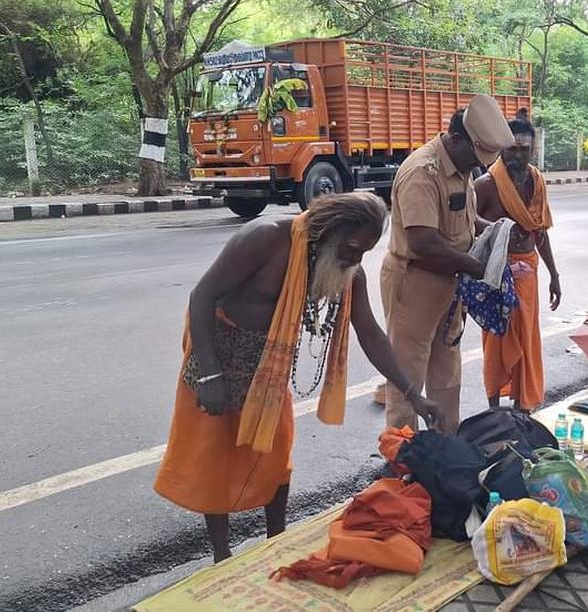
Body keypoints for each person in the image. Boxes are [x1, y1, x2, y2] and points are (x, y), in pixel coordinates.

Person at [153, 192, 442, 563]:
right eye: (351, 248)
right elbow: (202, 295)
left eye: (363, 253)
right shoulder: (266, 237)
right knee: (215, 455)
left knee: (276, 452)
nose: (354, 260)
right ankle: (221, 556)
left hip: (269, 363)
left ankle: (277, 538)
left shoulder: (347, 272)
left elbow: (370, 333)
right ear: (328, 230)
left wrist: (411, 393)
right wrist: (209, 374)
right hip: (218, 352)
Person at [377, 94, 515, 432]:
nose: (478, 167)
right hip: (415, 282)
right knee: (407, 379)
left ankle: (444, 451)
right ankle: (403, 459)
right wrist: (478, 268)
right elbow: (423, 242)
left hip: (449, 284)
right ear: (456, 138)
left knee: (447, 374)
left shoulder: (461, 163)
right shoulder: (422, 171)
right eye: (476, 156)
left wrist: (494, 232)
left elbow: (462, 221)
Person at [474, 115, 560, 412]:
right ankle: (495, 408)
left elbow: (540, 230)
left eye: (524, 149)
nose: (518, 155)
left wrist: (554, 274)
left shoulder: (536, 181)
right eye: (512, 149)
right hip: (498, 271)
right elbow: (466, 222)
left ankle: (523, 408)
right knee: (497, 339)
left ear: (533, 149)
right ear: (500, 149)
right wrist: (499, 229)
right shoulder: (485, 185)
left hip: (529, 269)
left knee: (527, 338)